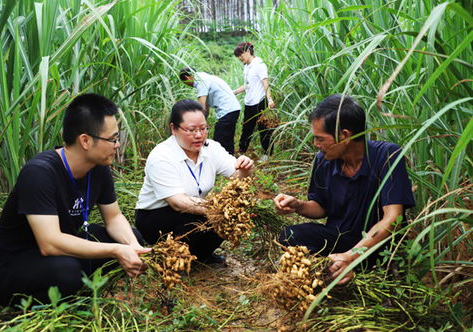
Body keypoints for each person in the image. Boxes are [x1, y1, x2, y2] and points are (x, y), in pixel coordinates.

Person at [0, 94, 151, 307]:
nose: (117, 145)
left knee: (130, 237)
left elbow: (114, 217)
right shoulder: (39, 173)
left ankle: (79, 296)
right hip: (13, 266)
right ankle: (50, 305)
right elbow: (49, 243)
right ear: (85, 140)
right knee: (68, 271)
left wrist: (133, 247)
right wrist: (116, 250)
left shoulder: (99, 168)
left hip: (61, 251)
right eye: (112, 139)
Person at [274, 94, 414, 284]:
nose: (316, 145)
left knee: (374, 260)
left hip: (377, 246)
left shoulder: (387, 155)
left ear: (345, 135)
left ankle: (346, 269)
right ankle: (334, 269)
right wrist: (298, 205)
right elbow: (321, 207)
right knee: (290, 236)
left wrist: (351, 256)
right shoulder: (323, 160)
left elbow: (393, 219)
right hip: (338, 240)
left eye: (320, 139)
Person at [135, 99, 253, 263]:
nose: (199, 135)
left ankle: (200, 256)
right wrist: (219, 208)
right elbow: (178, 202)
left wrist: (245, 169)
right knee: (205, 221)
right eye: (191, 130)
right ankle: (174, 256)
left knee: (221, 220)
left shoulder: (211, 148)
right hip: (156, 216)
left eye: (203, 129)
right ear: (174, 129)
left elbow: (238, 177)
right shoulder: (161, 156)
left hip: (194, 208)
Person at [179, 67, 241, 155]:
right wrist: (204, 122)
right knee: (226, 137)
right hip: (232, 109)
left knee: (220, 139)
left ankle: (225, 162)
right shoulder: (204, 77)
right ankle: (230, 160)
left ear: (188, 77)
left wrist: (197, 123)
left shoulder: (200, 80)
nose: (188, 85)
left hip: (228, 110)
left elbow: (201, 105)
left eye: (185, 83)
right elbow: (206, 107)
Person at [233, 42, 276, 161]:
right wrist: (234, 92)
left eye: (240, 55)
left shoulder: (259, 65)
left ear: (247, 52)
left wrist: (270, 100)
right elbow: (247, 85)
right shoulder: (246, 66)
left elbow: (265, 83)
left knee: (263, 129)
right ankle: (241, 152)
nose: (240, 58)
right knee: (246, 128)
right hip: (249, 102)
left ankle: (268, 154)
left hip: (260, 101)